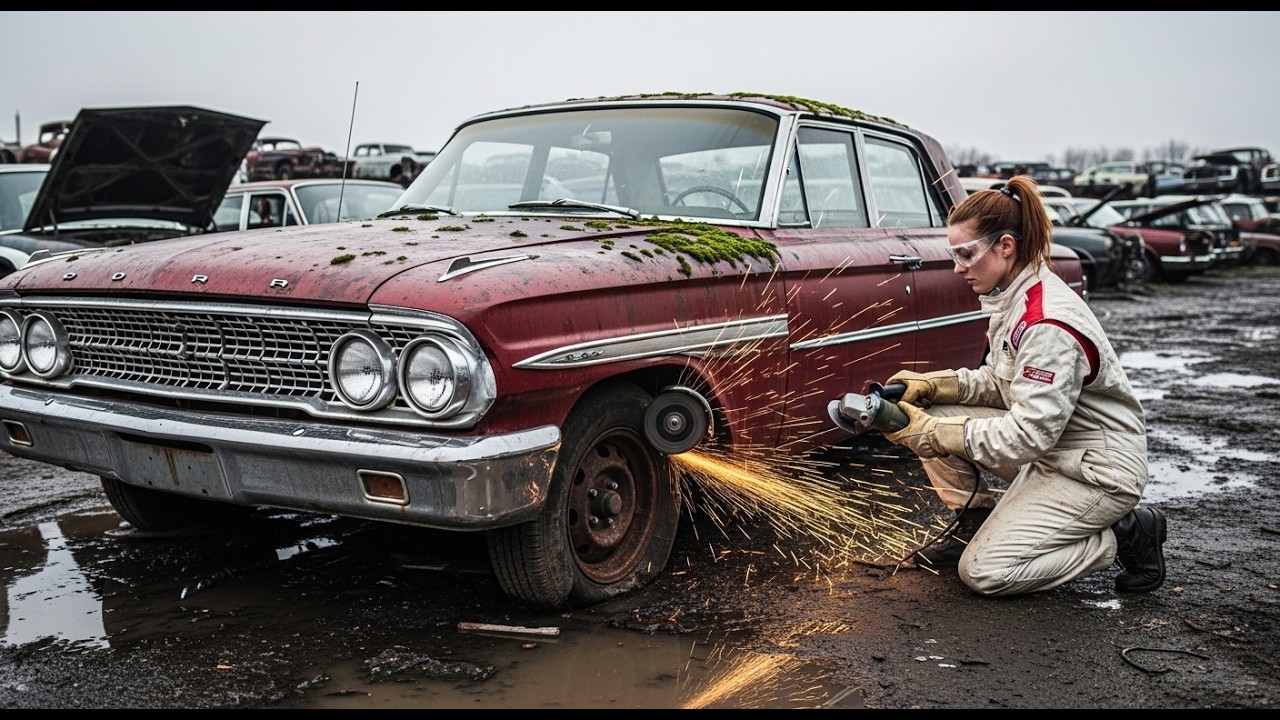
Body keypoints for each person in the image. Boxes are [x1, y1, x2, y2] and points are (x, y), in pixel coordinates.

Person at [879, 174, 1166, 597]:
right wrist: (935, 386)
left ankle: (1123, 534)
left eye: (966, 254)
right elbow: (1003, 384)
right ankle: (973, 522)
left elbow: (1027, 435)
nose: (957, 267)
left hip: (1095, 470)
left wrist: (935, 433)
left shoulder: (1047, 323)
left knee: (984, 572)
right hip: (1056, 448)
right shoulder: (1015, 296)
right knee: (932, 413)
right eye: (954, 254)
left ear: (1005, 246)